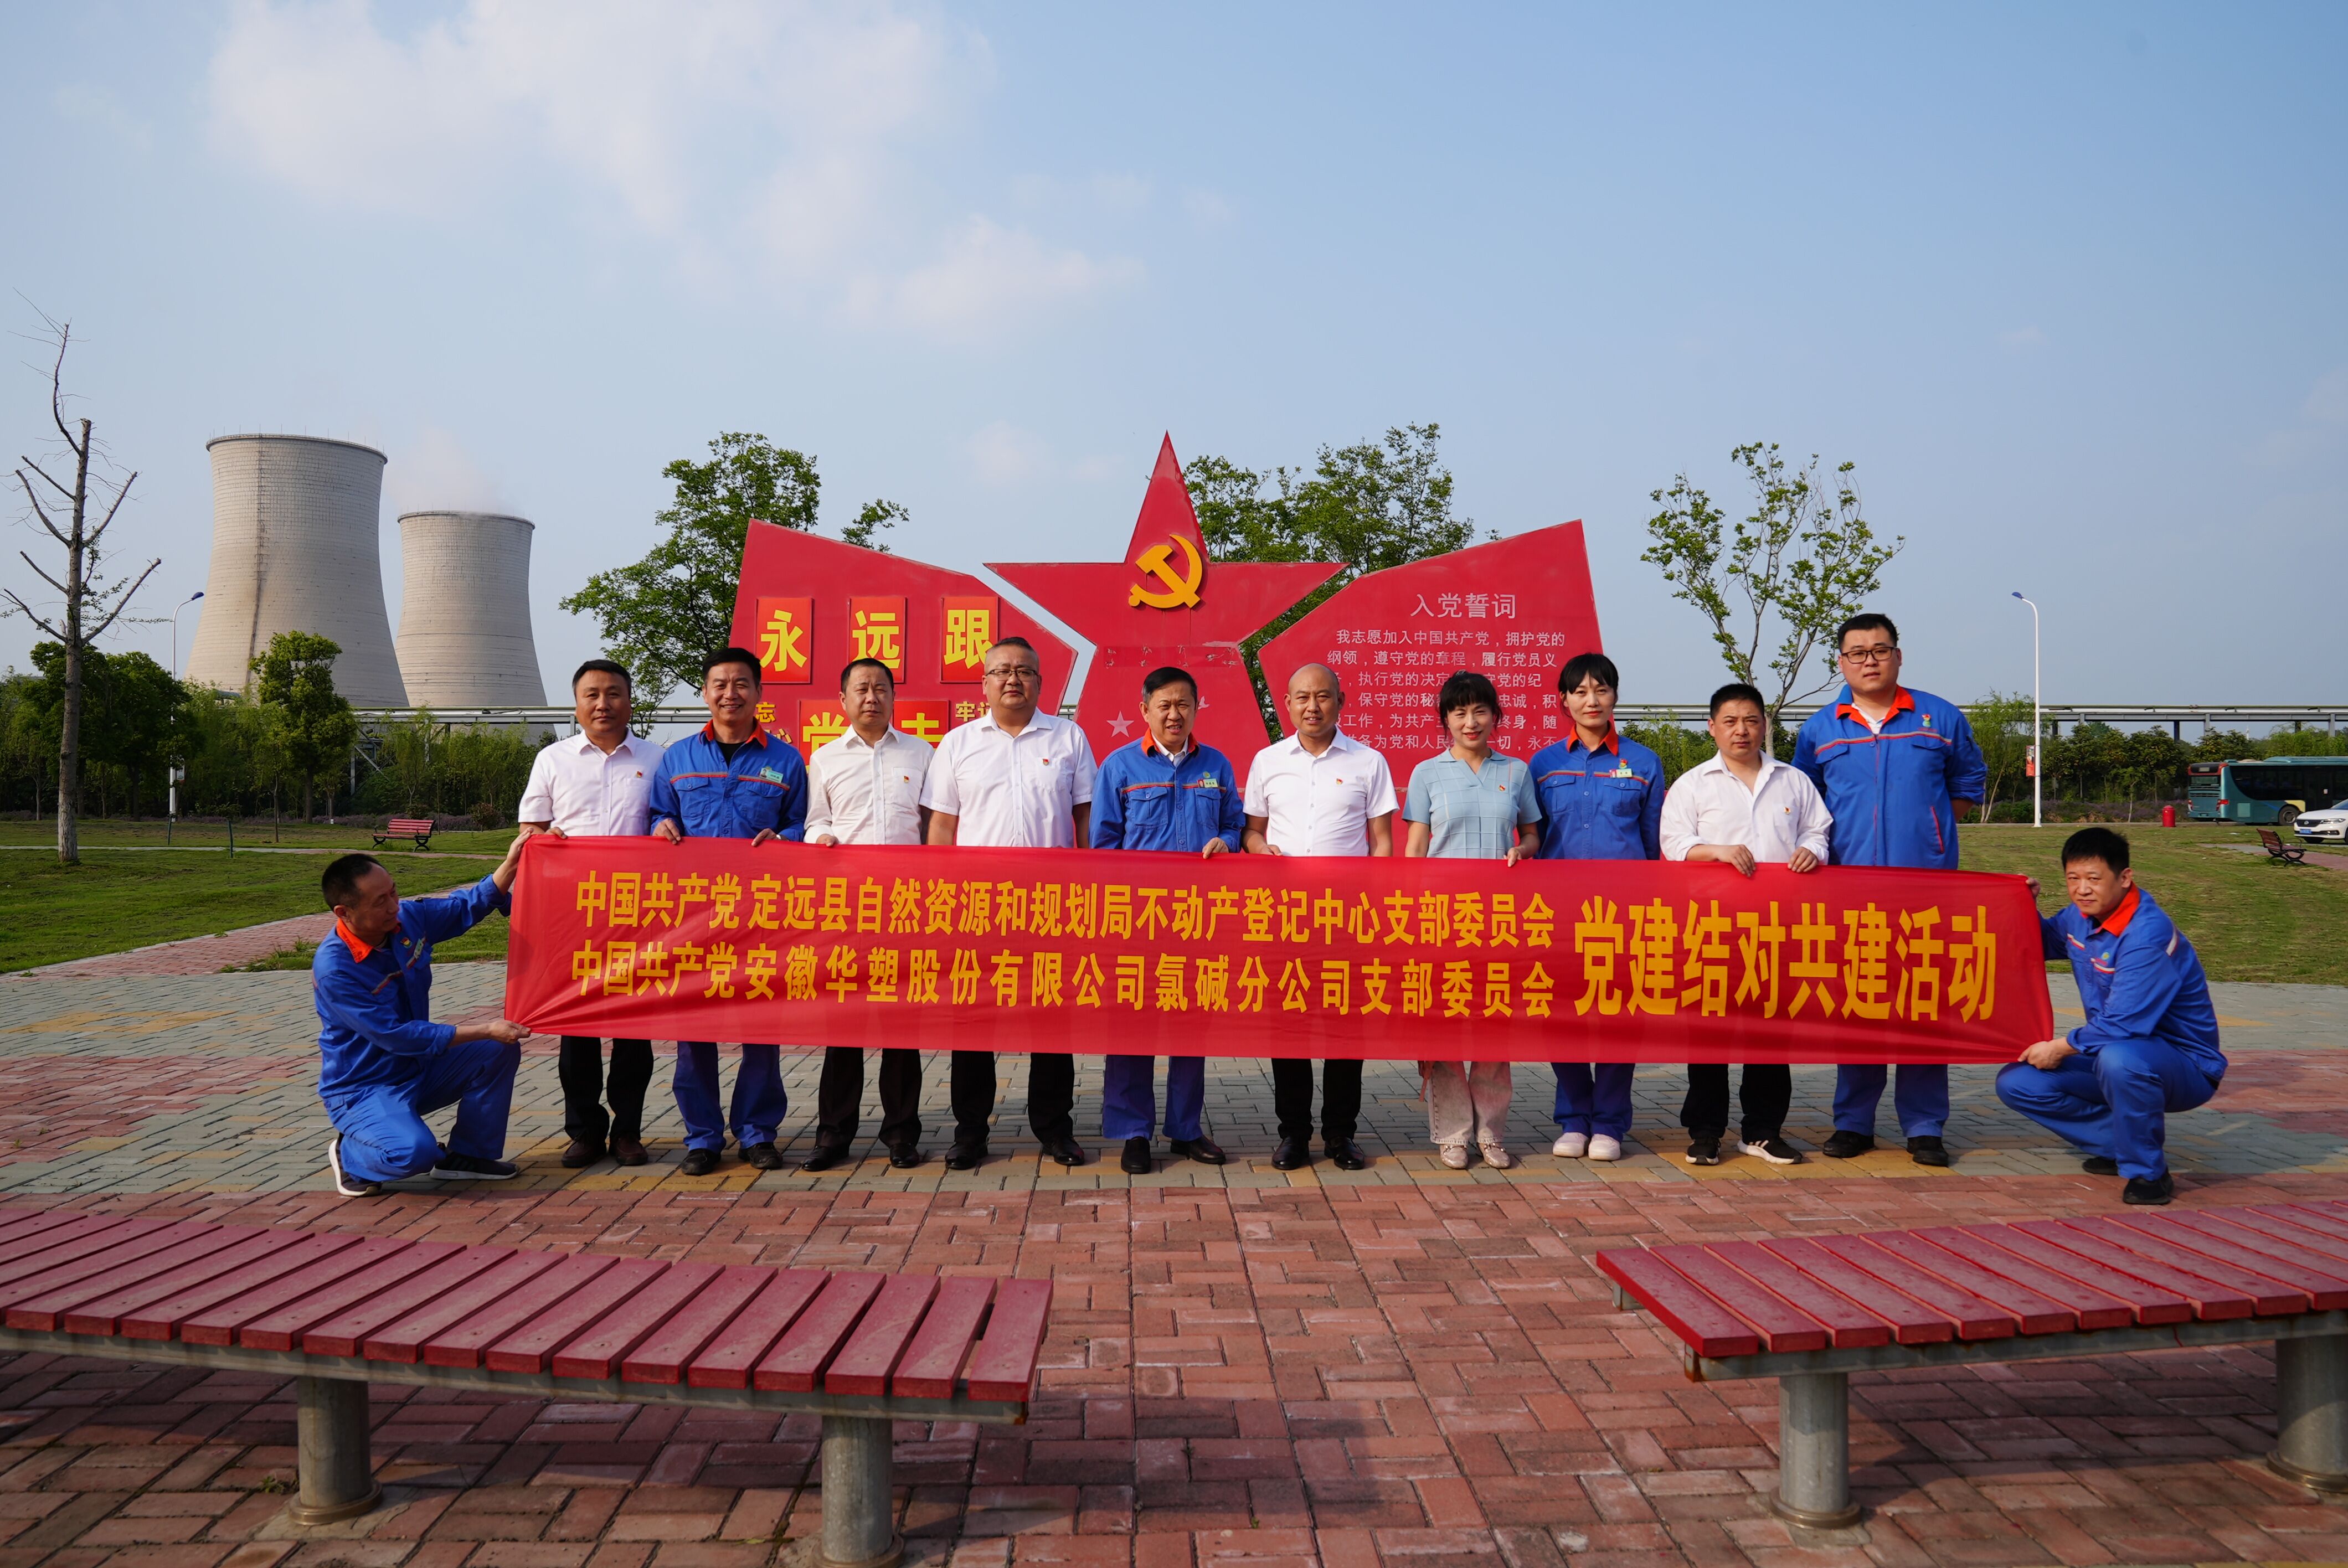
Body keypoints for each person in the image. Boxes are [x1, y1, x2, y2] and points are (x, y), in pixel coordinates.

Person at [1793, 612, 1986, 1167]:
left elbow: (1967, 782)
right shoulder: (1820, 728)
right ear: (1841, 663)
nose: (1869, 661)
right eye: (1857, 653)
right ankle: (1853, 1123)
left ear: (1898, 656)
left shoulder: (1939, 717)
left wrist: (1930, 831)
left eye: (1880, 650)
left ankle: (1924, 1127)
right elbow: (1806, 800)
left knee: (1922, 1006)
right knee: (1859, 1006)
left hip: (1925, 891)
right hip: (1849, 890)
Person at [923, 636, 1097, 1170]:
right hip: (977, 906)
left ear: (1041, 682)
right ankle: (971, 1132)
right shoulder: (958, 743)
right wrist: (941, 900)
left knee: (1052, 1021)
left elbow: (1086, 819)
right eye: (1001, 671)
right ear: (985, 683)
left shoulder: (1068, 737)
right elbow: (942, 826)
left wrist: (1088, 892)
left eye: (1024, 671)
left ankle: (1054, 1128)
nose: (1013, 679)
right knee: (974, 1021)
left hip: (1052, 905)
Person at [1996, 828, 2223, 1206]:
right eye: (2073, 879)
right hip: (2110, 1052)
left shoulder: (2146, 934)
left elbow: (2123, 1024)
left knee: (2121, 1059)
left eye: (2094, 879)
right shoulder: (2079, 917)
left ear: (2125, 878)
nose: (2082, 889)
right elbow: (2039, 942)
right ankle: (2122, 1143)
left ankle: (2148, 1173)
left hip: (2185, 1065)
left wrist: (2059, 1047)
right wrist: (2022, 904)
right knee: (2018, 1082)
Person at [1660, 683, 1834, 1167]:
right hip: (1711, 929)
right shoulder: (1694, 784)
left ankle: (1762, 1131)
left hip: (1779, 928)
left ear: (1765, 725)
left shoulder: (1793, 781)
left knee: (1771, 1031)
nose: (1742, 730)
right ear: (1712, 728)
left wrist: (1812, 850)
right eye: (1731, 721)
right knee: (1708, 1032)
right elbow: (1674, 844)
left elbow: (1818, 830)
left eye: (1751, 721)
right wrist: (1716, 852)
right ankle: (1706, 1132)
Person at [649, 646, 808, 1177]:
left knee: (760, 1029)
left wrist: (786, 838)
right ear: (705, 692)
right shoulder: (677, 758)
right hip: (693, 918)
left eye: (742, 683)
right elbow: (657, 814)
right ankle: (702, 1137)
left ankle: (758, 1133)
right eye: (720, 684)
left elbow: (802, 824)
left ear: (759, 693)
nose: (730, 693)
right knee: (694, 1032)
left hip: (761, 917)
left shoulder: (786, 760)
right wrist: (658, 826)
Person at [1243, 663, 1398, 1172]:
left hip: (1347, 918)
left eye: (1323, 697)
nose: (1313, 706)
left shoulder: (1369, 762)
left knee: (1344, 1029)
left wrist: (1377, 912)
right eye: (1303, 697)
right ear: (1287, 704)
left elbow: (1382, 843)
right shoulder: (1267, 761)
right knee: (1289, 1025)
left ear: (1340, 701)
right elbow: (1252, 830)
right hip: (1284, 917)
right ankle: (1293, 1133)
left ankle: (1341, 1134)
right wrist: (1259, 849)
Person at [1091, 665, 1243, 1175]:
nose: (1174, 714)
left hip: (1198, 921)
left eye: (1184, 705)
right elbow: (1103, 846)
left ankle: (1185, 1129)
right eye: (1165, 705)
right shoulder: (1119, 767)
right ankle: (1133, 1132)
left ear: (1197, 709)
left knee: (1190, 1027)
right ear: (1146, 710)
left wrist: (1228, 841)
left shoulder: (1216, 766)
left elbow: (1234, 824)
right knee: (1131, 1027)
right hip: (1136, 922)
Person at [316, 839, 531, 1198]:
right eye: (380, 901)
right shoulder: (336, 969)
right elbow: (397, 1036)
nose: (393, 906)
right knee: (414, 1153)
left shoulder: (407, 921)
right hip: (366, 1087)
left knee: (496, 1050)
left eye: (393, 892)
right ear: (345, 913)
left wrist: (511, 864)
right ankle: (351, 1155)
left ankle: (468, 1156)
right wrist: (485, 1028)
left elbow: (465, 906)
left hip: (418, 1068)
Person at [516, 658, 665, 1169]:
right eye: (592, 695)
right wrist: (544, 838)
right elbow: (531, 828)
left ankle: (628, 1131)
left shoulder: (658, 759)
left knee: (633, 1032)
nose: (604, 704)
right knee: (576, 1029)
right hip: (572, 915)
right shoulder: (552, 760)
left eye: (614, 693)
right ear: (577, 704)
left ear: (630, 701)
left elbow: (670, 822)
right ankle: (583, 1130)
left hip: (637, 914)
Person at [1403, 671, 1542, 1170]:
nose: (1470, 721)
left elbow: (1532, 835)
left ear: (1495, 716)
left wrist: (1522, 850)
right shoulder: (1427, 773)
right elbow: (1416, 847)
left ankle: (1491, 1133)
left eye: (1480, 710)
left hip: (1500, 920)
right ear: (1445, 719)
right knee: (1444, 1029)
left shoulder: (1517, 771)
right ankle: (1453, 1134)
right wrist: (1411, 915)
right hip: (1442, 918)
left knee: (1493, 1028)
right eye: (1459, 712)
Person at [1528, 652, 1663, 1164]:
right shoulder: (1543, 764)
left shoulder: (1644, 762)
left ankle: (1609, 1123)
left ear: (1615, 696)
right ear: (1563, 700)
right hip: (1558, 915)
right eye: (1580, 691)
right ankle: (1573, 1119)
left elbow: (1652, 843)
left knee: (1620, 1016)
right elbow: (1535, 837)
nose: (1592, 700)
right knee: (1560, 1014)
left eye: (1601, 690)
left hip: (1624, 915)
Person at [801, 656, 933, 1172]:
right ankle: (834, 1134)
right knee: (844, 1028)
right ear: (844, 700)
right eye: (861, 689)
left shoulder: (922, 753)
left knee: (902, 1028)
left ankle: (901, 1134)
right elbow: (815, 821)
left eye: (881, 688)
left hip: (907, 910)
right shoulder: (825, 758)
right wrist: (822, 838)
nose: (872, 697)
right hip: (847, 910)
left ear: (894, 697)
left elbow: (934, 826)